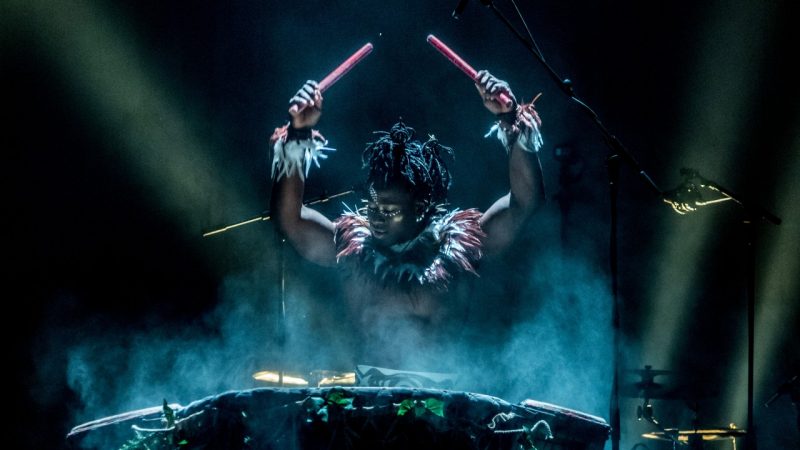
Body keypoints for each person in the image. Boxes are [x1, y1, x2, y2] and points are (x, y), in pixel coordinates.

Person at [270, 70, 545, 373]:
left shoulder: (458, 246)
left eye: (389, 209)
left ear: (421, 207)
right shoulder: (352, 248)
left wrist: (511, 118)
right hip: (369, 407)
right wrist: (297, 133)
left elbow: (523, 203)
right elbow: (292, 221)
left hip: (441, 405)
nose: (375, 216)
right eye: (372, 206)